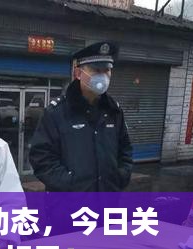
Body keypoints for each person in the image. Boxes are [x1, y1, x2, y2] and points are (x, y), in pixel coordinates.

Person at [29, 42, 133, 192]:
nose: (103, 76)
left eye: (107, 70)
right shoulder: (56, 113)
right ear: (78, 73)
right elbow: (41, 158)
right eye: (96, 70)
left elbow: (125, 150)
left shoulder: (114, 111)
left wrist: (120, 175)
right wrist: (70, 184)